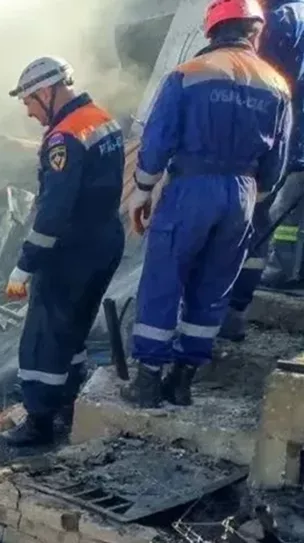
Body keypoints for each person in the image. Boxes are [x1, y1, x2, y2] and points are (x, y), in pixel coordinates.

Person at [127, 0, 292, 407]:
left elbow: (158, 140)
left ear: (212, 31)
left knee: (165, 279)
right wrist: (257, 193)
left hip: (191, 188)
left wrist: (143, 190)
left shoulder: (189, 75)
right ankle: (182, 380)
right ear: (255, 31)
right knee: (214, 286)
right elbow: (278, 160)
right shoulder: (277, 84)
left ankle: (148, 381)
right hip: (242, 193)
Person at [0, 56, 126, 448]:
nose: (30, 112)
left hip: (70, 251)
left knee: (43, 338)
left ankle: (39, 423)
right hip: (105, 242)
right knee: (73, 333)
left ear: (46, 91)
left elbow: (54, 211)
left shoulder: (64, 137)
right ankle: (68, 407)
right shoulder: (103, 119)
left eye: (29, 103)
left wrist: (24, 266)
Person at [223, 0, 304, 340]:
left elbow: (265, 76)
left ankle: (280, 271)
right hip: (293, 135)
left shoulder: (282, 18)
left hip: (280, 135)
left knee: (269, 216)